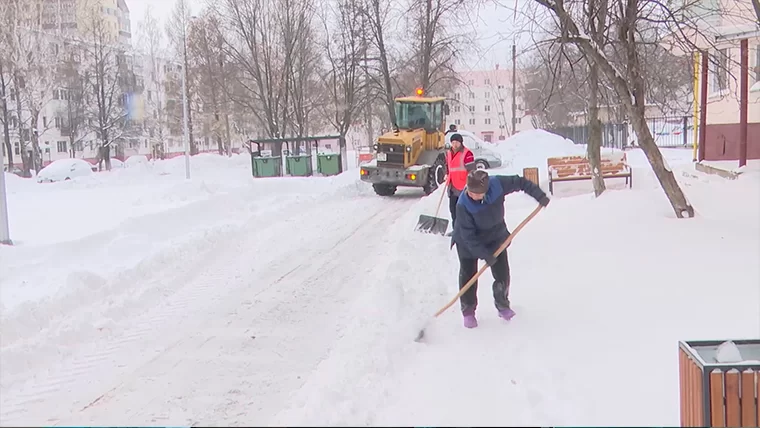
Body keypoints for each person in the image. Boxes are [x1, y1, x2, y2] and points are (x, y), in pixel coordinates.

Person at [451, 169, 550, 329]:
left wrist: (538, 195)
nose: (473, 196)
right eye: (470, 192)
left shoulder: (497, 184)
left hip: (495, 237)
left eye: (477, 193)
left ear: (486, 189)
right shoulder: (463, 205)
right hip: (467, 243)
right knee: (469, 276)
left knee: (502, 274)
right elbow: (469, 237)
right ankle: (468, 311)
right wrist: (485, 255)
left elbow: (520, 182)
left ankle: (502, 305)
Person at [444, 133, 475, 235]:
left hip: (463, 187)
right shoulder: (449, 153)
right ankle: (456, 231)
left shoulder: (467, 153)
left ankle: (466, 231)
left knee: (463, 211)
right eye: (453, 142)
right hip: (452, 186)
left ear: (461, 142)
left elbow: (472, 171)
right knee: (453, 210)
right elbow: (448, 166)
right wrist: (447, 174)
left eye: (456, 142)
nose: (455, 144)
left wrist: (470, 184)